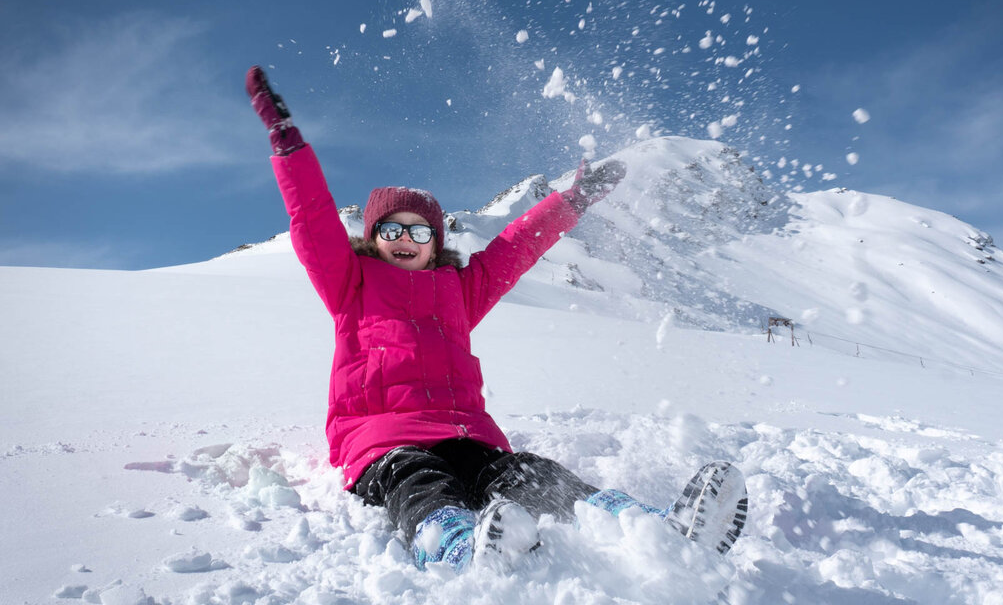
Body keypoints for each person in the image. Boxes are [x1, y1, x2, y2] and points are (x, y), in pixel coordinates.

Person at [246, 66, 747, 572]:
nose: (405, 240)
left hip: (470, 437)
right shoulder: (350, 285)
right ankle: (459, 548)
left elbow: (516, 248)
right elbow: (311, 220)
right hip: (383, 440)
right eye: (392, 229)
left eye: (420, 233)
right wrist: (289, 149)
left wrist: (569, 202)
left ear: (436, 244)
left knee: (533, 474)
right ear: (371, 237)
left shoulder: (458, 292)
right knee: (421, 482)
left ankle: (654, 530)